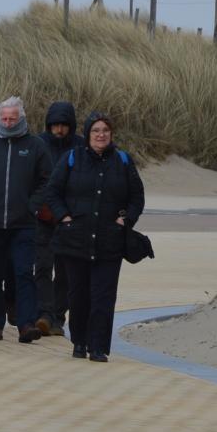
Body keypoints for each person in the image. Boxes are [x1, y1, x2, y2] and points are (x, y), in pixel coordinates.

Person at [44, 113, 145, 362]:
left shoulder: (122, 160)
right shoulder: (72, 158)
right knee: (78, 295)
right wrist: (63, 217)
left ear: (111, 134)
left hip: (110, 240)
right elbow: (52, 191)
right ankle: (79, 341)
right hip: (75, 238)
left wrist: (126, 220)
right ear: (87, 135)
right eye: (96, 131)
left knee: (104, 295)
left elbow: (137, 197)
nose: (101, 135)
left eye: (105, 131)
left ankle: (98, 346)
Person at [0, 96, 53, 343]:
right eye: (4, 118)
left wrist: (33, 206)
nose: (8, 122)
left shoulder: (35, 146)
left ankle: (26, 324)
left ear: (21, 118)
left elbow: (46, 180)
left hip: (23, 224)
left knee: (24, 274)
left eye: (12, 118)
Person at [37, 100, 87, 336]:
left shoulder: (80, 147)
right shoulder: (38, 143)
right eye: (55, 125)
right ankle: (44, 314)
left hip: (70, 217)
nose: (59, 130)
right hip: (43, 216)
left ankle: (58, 316)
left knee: (65, 270)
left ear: (71, 126)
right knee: (43, 266)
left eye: (64, 125)